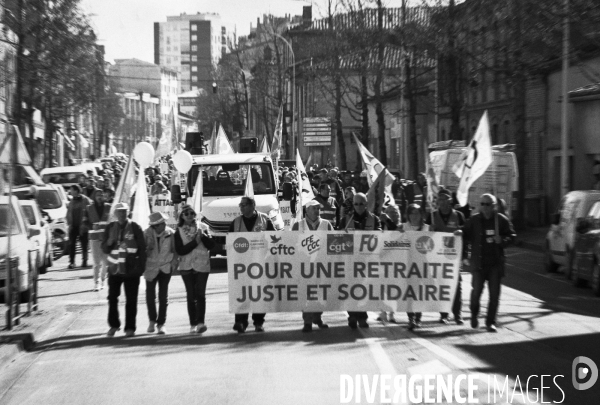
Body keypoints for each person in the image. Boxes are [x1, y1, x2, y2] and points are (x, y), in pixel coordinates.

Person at [462, 194, 516, 332]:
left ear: (494, 206)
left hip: (495, 264)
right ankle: (474, 313)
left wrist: (502, 240)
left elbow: (512, 236)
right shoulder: (474, 220)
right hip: (479, 264)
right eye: (482, 204)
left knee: (494, 295)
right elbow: (464, 235)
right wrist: (464, 253)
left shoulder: (501, 220)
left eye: (488, 204)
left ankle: (490, 322)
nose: (485, 207)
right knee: (476, 294)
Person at [228, 196, 275, 333]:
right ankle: (240, 322)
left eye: (244, 205)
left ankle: (258, 322)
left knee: (259, 294)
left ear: (253, 206)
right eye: (240, 205)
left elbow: (274, 239)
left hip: (260, 265)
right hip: (241, 266)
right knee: (241, 293)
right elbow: (230, 243)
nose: (241, 207)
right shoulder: (236, 222)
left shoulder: (265, 219)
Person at [102, 203, 146, 337]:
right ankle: (114, 325)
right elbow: (104, 248)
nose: (122, 214)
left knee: (131, 299)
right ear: (115, 213)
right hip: (115, 269)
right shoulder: (110, 227)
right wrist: (109, 241)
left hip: (131, 270)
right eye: (119, 212)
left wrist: (141, 268)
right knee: (112, 298)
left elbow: (142, 249)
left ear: (128, 212)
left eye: (124, 211)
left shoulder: (135, 227)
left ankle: (130, 328)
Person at [338, 193, 382, 329]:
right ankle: (352, 316)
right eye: (356, 204)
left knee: (363, 290)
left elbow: (380, 237)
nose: (358, 206)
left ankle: (362, 317)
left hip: (367, 261)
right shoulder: (346, 219)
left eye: (361, 204)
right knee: (351, 289)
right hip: (349, 261)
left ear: (366, 204)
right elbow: (337, 239)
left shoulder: (375, 219)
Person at [292, 199, 333, 332]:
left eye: (318, 208)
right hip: (304, 268)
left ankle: (317, 317)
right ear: (307, 210)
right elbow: (291, 246)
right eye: (314, 208)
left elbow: (334, 244)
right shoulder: (298, 226)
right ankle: (307, 321)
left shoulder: (327, 225)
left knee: (321, 294)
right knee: (306, 293)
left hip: (322, 266)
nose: (317, 210)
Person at [426, 188, 465, 325]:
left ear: (450, 200)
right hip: (437, 258)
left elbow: (465, 236)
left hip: (453, 258)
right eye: (439, 199)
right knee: (441, 287)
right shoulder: (431, 216)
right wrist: (428, 231)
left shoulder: (459, 215)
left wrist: (465, 255)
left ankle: (457, 314)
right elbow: (424, 238)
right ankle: (444, 314)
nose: (442, 202)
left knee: (456, 286)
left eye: (444, 199)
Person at [174, 204, 214, 334]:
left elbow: (211, 246)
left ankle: (201, 323)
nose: (190, 216)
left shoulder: (203, 227)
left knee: (200, 294)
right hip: (186, 266)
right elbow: (180, 250)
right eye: (186, 214)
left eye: (192, 213)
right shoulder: (179, 230)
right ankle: (193, 322)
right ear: (182, 216)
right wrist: (195, 242)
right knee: (191, 295)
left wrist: (203, 237)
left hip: (202, 265)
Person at [144, 212, 178, 335]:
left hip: (165, 268)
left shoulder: (170, 233)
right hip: (150, 268)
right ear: (155, 226)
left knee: (163, 297)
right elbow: (142, 252)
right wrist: (148, 248)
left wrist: (174, 263)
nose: (164, 224)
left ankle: (161, 324)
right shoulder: (146, 234)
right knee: (150, 296)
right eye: (161, 223)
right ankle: (152, 320)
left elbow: (175, 251)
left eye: (164, 222)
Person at [403, 203, 429, 330]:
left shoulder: (428, 229)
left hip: (423, 266)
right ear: (408, 215)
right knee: (410, 294)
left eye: (417, 213)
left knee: (420, 293)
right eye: (411, 213)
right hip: (407, 266)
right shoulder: (403, 228)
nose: (414, 216)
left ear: (421, 215)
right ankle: (411, 318)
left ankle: (418, 317)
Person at [377, 204, 403, 323]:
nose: (395, 214)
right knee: (382, 287)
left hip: (396, 262)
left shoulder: (401, 226)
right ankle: (382, 312)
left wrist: (387, 220)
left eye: (396, 212)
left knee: (393, 288)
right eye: (392, 212)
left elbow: (396, 232)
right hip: (382, 261)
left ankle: (392, 313)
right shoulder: (381, 224)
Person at [83, 189, 111, 290]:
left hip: (105, 239)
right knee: (96, 262)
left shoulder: (109, 207)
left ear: (104, 196)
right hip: (94, 238)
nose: (99, 196)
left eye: (101, 195)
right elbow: (84, 222)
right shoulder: (88, 208)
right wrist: (91, 226)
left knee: (106, 262)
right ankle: (96, 282)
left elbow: (112, 221)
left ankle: (103, 279)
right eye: (97, 195)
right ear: (94, 197)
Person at [66, 184, 91, 269]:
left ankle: (85, 261)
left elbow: (91, 210)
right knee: (72, 244)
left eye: (71, 190)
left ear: (76, 190)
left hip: (83, 226)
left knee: (84, 244)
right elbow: (68, 214)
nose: (70, 192)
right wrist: (69, 224)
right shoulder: (71, 201)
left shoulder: (85, 200)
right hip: (73, 226)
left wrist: (87, 222)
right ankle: (72, 262)